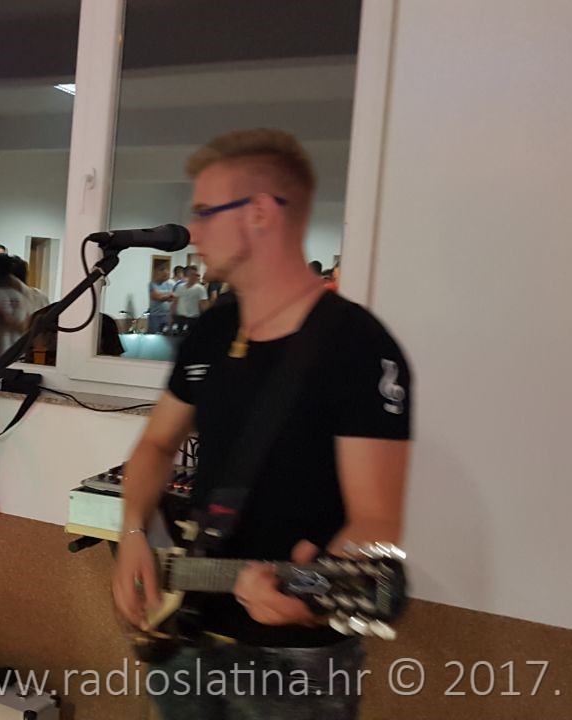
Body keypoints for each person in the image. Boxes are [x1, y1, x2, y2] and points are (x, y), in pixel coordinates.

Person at [112, 129, 411, 720]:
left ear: (259, 213)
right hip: (187, 631)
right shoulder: (211, 332)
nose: (193, 230)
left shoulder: (357, 345)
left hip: (294, 659)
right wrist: (132, 532)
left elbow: (376, 522)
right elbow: (156, 444)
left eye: (205, 211)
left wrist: (315, 596)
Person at [170, 265, 209, 334]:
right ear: (187, 275)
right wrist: (171, 316)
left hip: (193, 318)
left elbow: (203, 305)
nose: (194, 277)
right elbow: (175, 302)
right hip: (181, 317)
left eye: (195, 275)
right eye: (192, 274)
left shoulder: (200, 289)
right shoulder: (180, 287)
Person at [147, 266, 176, 334]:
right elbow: (157, 297)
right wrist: (168, 295)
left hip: (167, 315)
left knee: (166, 335)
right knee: (154, 335)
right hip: (155, 315)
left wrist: (162, 295)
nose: (166, 277)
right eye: (164, 275)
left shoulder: (170, 284)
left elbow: (173, 298)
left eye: (167, 275)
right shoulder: (152, 284)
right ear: (159, 274)